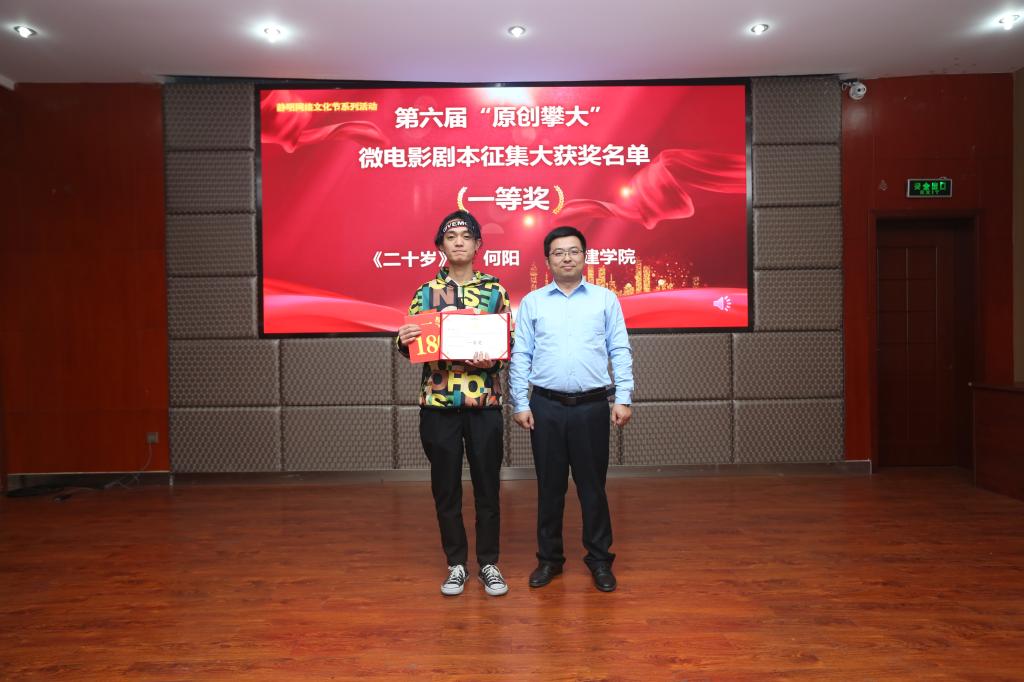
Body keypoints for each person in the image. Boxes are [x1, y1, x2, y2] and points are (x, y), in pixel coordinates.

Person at [510, 225, 634, 592]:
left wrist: (623, 397)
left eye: (574, 251)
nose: (567, 258)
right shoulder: (533, 302)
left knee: (592, 488)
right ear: (548, 260)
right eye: (559, 252)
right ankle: (549, 560)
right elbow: (521, 354)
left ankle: (600, 560)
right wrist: (520, 402)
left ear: (584, 256)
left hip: (591, 406)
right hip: (545, 406)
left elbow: (619, 349)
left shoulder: (605, 299)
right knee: (549, 489)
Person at [396, 210, 512, 597]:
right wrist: (403, 339)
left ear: (478, 245)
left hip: (484, 405)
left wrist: (490, 360)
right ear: (441, 246)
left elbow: (508, 345)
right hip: (438, 405)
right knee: (445, 489)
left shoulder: (495, 291)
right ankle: (456, 564)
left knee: (487, 488)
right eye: (451, 237)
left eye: (466, 236)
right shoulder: (425, 293)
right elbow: (411, 344)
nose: (459, 241)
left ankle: (489, 563)